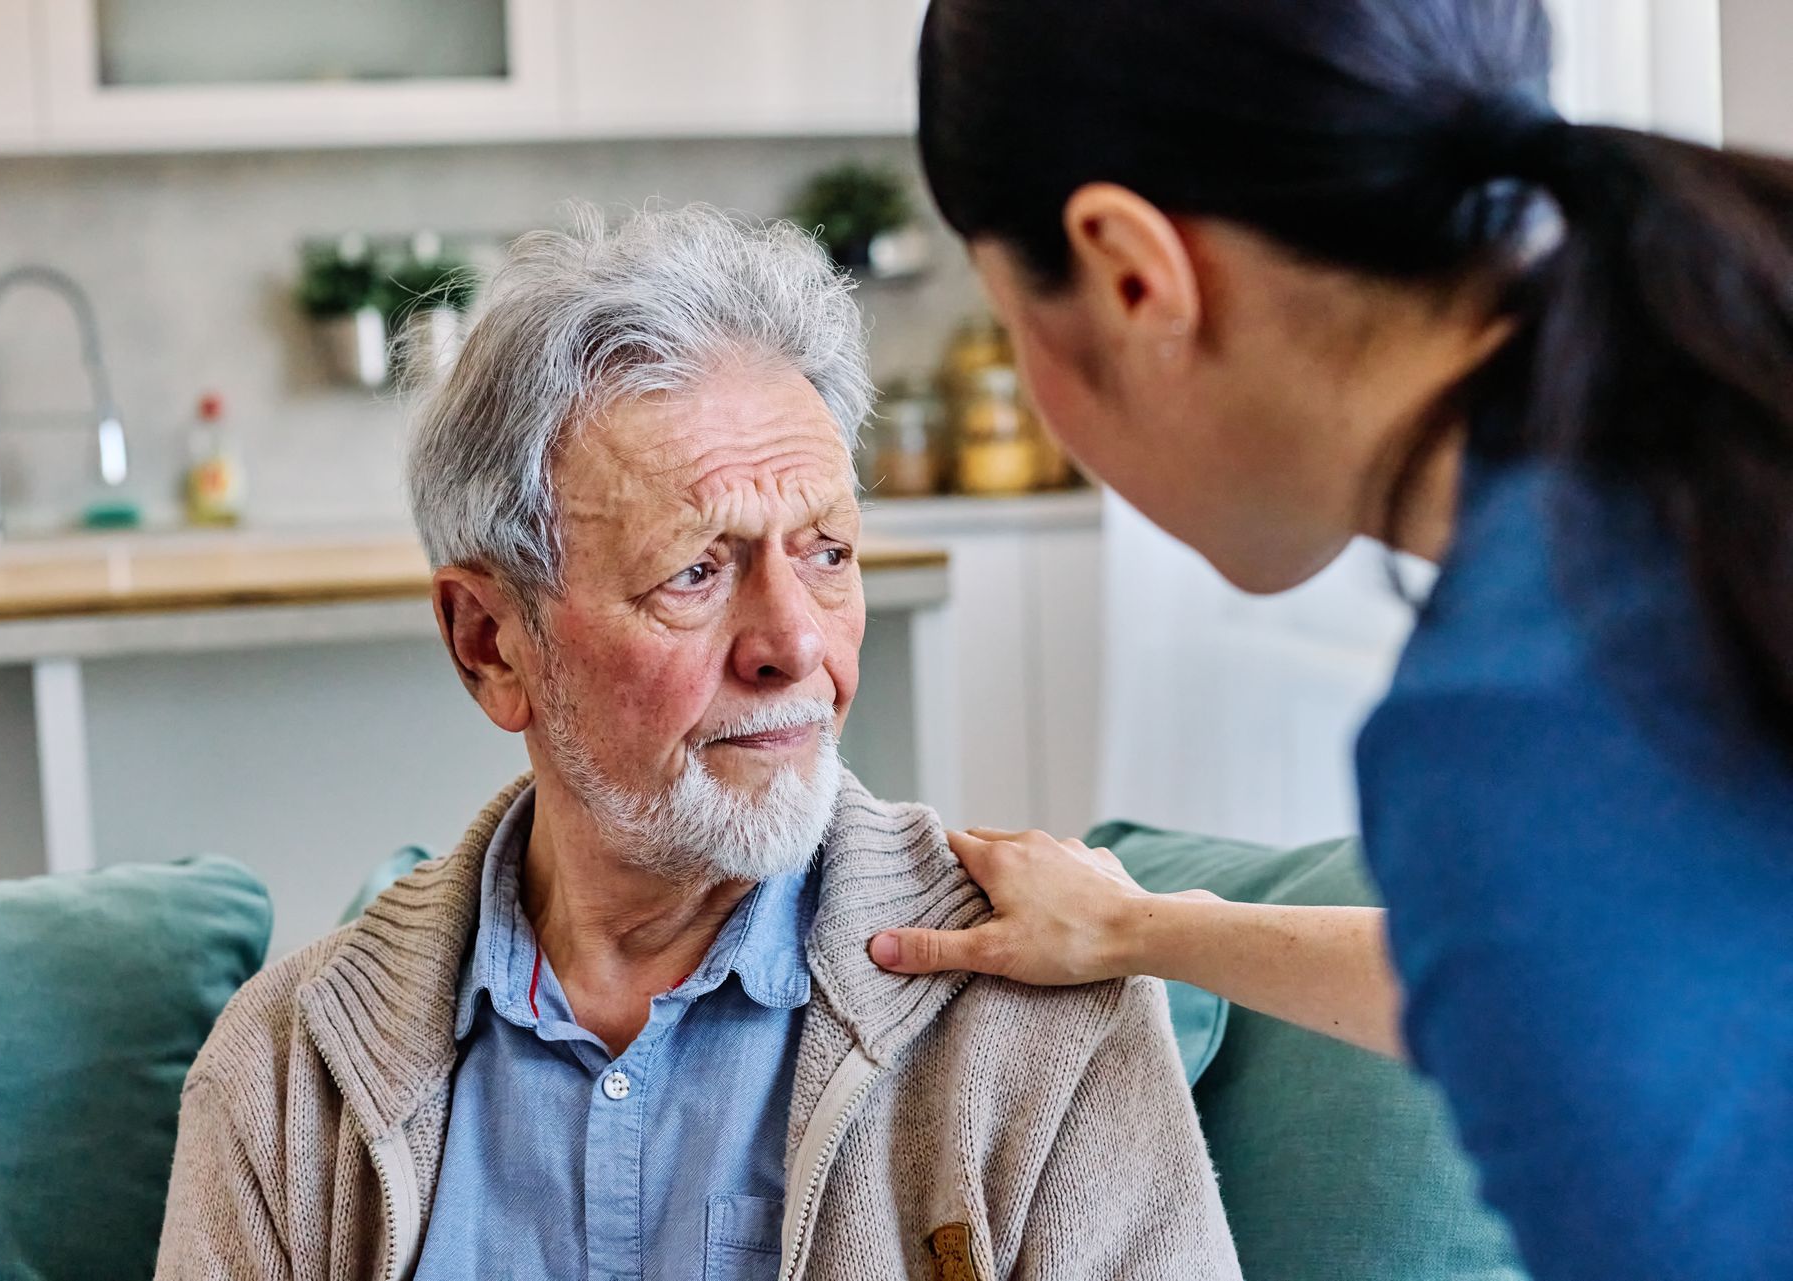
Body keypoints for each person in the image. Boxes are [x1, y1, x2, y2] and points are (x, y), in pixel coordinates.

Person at [864, 3, 1793, 1279]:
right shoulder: (1694, 472)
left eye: (1013, 322)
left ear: (1134, 275)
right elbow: (1612, 986)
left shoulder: (1520, 720)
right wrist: (1147, 931)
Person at [154, 205, 1241, 1281]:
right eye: (696, 572)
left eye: (827, 553)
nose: (795, 645)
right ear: (490, 643)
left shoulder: (1040, 1020)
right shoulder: (282, 1077)